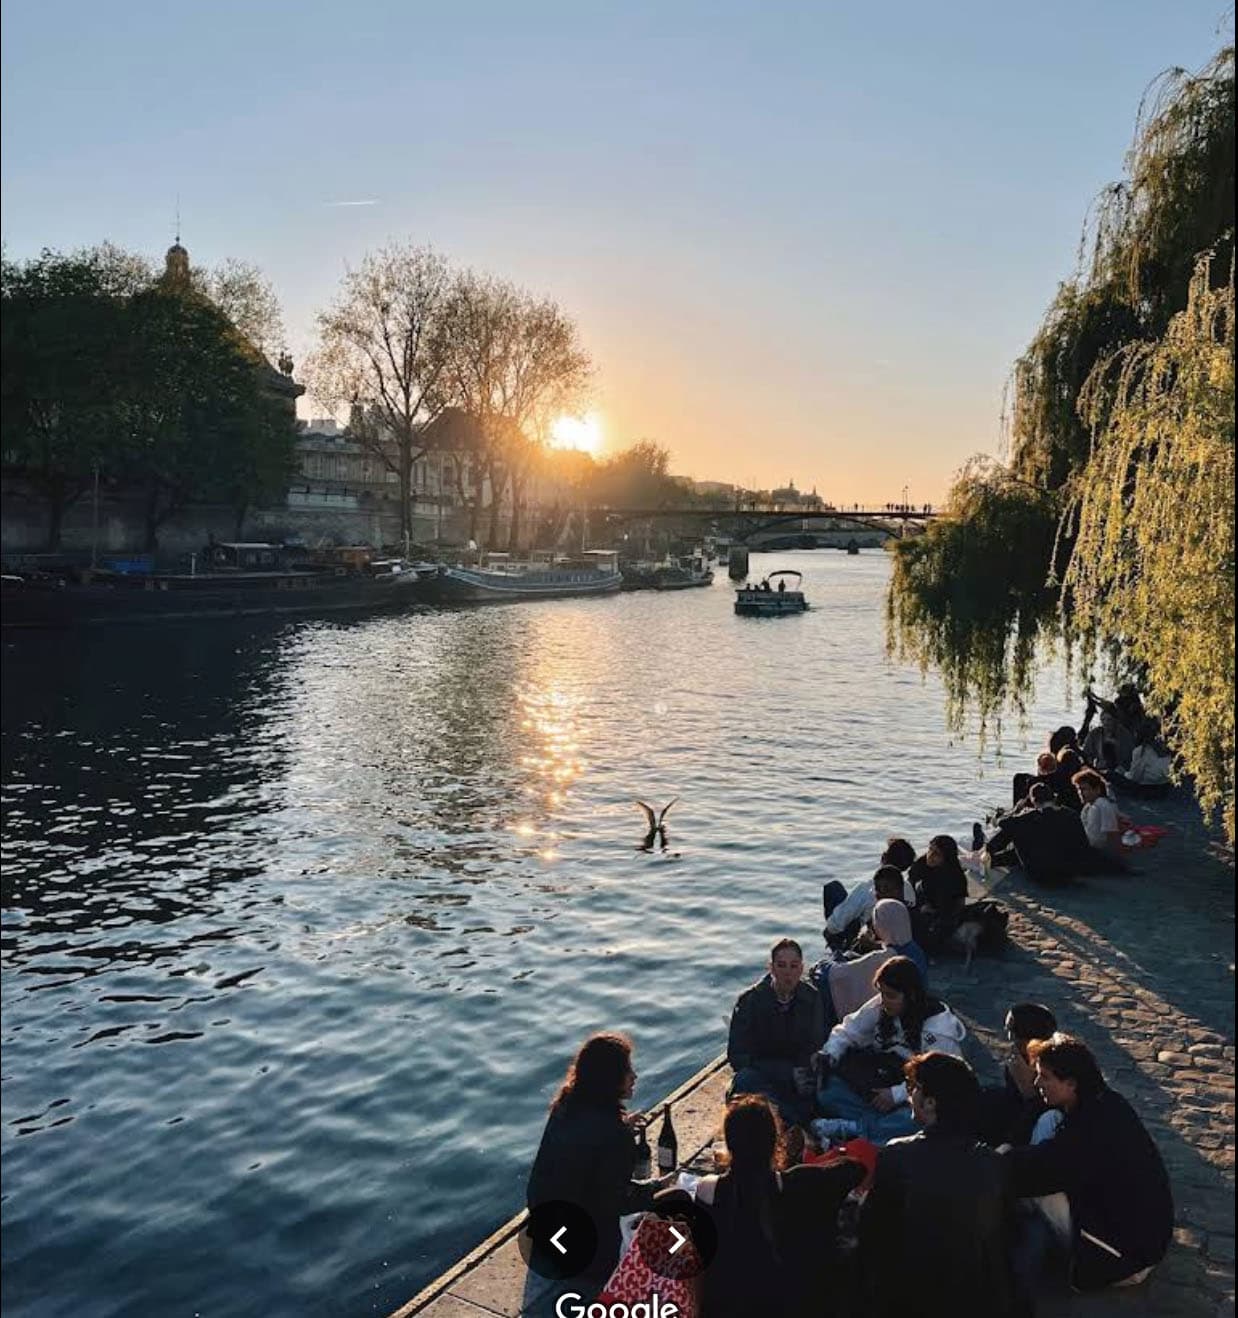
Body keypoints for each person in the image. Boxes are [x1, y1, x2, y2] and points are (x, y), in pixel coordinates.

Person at [1002, 1034, 1173, 1292]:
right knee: (1048, 1120)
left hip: (1122, 1255)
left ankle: (1017, 1251)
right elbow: (1041, 1117)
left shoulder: (1088, 1133)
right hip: (1134, 1225)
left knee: (1033, 1192)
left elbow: (1034, 1173)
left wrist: (992, 1161)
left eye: (1045, 1077)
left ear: (1071, 1084)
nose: (1037, 1083)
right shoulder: (1103, 1101)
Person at [859, 1053, 1020, 1317]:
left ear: (930, 1102)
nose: (911, 1094)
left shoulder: (897, 1157)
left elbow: (873, 1233)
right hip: (978, 1296)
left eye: (915, 1088)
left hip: (912, 1297)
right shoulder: (991, 1162)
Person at [675, 1095, 865, 1318]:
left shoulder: (707, 1192)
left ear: (729, 1145)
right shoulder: (796, 1183)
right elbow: (854, 1169)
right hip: (781, 1305)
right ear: (775, 1142)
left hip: (724, 1308)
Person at [526, 1033, 669, 1288]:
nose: (634, 1076)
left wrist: (621, 1127)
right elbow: (617, 1200)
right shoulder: (615, 1135)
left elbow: (580, 1154)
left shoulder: (564, 1107)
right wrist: (659, 1187)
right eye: (628, 1070)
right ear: (610, 1080)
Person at [816, 956, 966, 1143]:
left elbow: (943, 1079)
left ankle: (857, 1128)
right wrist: (829, 1054)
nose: (884, 1001)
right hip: (883, 1076)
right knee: (828, 1092)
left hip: (914, 1092)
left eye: (891, 996)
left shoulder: (938, 1029)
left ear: (910, 995)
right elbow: (848, 1030)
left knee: (917, 1120)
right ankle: (875, 1129)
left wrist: (896, 1095)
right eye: (882, 993)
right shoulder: (882, 1006)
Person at [728, 939, 826, 1126]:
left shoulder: (811, 998)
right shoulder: (750, 1001)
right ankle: (788, 1121)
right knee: (744, 1081)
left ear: (801, 968)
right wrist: (785, 1072)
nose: (787, 973)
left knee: (822, 1092)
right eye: (781, 966)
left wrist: (806, 1070)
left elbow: (816, 1042)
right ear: (771, 968)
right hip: (762, 1074)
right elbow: (737, 1055)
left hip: (798, 1077)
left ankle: (791, 1120)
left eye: (793, 966)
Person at [817, 899, 928, 1027]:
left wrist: (823, 964)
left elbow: (837, 974)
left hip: (898, 1012)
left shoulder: (883, 959)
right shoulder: (915, 949)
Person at [979, 783, 1120, 884]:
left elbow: (1002, 823)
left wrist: (1017, 810)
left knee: (1014, 833)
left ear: (1033, 801)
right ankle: (989, 854)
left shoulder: (1024, 819)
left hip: (1039, 874)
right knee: (1036, 839)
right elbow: (1082, 845)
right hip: (1069, 871)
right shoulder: (1071, 815)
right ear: (1053, 797)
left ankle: (985, 852)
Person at [977, 1003, 1059, 1147]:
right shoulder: (1019, 1057)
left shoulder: (1044, 1065)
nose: (1008, 1035)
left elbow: (1035, 1108)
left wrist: (1028, 1091)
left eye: (1010, 1030)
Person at [822, 848, 918, 948]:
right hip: (893, 937)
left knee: (833, 888)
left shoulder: (867, 889)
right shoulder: (908, 888)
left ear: (883, 858)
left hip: (871, 939)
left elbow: (838, 922)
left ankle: (836, 946)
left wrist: (829, 931)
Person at [909, 835, 968, 952]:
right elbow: (909, 886)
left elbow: (959, 904)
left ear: (946, 857)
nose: (930, 856)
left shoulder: (955, 877)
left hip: (945, 912)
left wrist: (936, 912)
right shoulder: (922, 863)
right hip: (924, 901)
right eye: (930, 849)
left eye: (936, 853)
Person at [1073, 769, 1127, 863]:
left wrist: (1117, 858)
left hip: (1098, 852)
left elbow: (1112, 833)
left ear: (1097, 789)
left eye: (1084, 789)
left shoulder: (1102, 805)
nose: (1080, 793)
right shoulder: (1088, 806)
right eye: (1079, 789)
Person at [1111, 718, 1173, 797]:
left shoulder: (1141, 751)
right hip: (1165, 787)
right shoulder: (1164, 748)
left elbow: (1135, 777)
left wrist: (1123, 773)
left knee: (1113, 774)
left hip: (1148, 789)